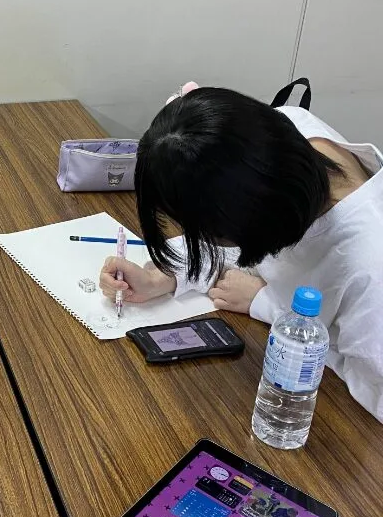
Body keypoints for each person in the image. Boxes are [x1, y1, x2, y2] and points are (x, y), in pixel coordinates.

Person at [100, 82, 383, 422]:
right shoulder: (283, 134)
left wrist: (267, 305)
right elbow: (253, 247)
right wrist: (168, 275)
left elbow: (374, 392)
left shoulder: (369, 270)